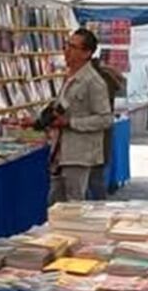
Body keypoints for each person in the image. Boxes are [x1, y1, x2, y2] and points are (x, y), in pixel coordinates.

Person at [46, 28, 114, 204]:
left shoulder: (93, 81)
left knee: (73, 205)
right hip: (60, 152)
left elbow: (105, 119)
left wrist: (70, 122)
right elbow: (61, 107)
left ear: (86, 53)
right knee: (56, 204)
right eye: (67, 45)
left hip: (79, 154)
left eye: (73, 47)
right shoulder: (70, 77)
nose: (66, 50)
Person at [88, 57, 125, 201]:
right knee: (97, 177)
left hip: (96, 135)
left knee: (94, 178)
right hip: (103, 133)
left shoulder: (97, 82)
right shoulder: (108, 78)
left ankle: (98, 206)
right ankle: (99, 205)